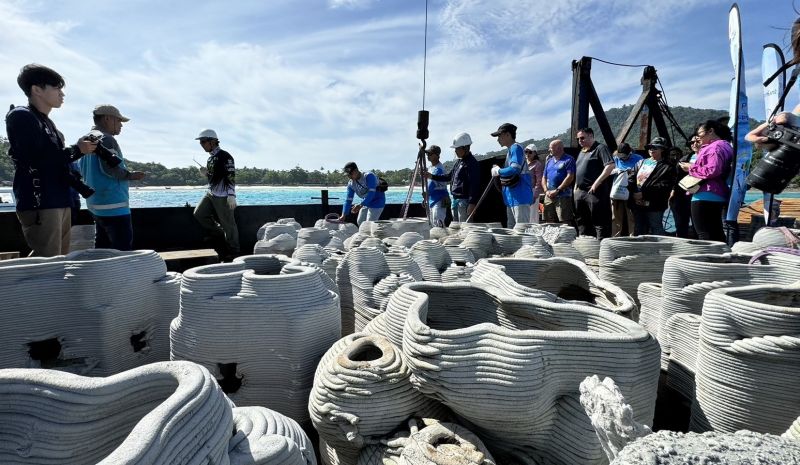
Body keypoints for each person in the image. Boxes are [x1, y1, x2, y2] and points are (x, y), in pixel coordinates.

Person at [5, 64, 98, 256]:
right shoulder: (21, 116)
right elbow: (36, 159)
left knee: (57, 260)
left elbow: (56, 161)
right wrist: (77, 150)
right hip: (41, 201)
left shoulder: (48, 123)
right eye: (56, 87)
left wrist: (78, 152)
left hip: (58, 199)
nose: (62, 94)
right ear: (36, 89)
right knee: (47, 262)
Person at [78, 105, 145, 250]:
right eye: (119, 121)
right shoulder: (107, 139)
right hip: (114, 206)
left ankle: (101, 273)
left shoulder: (83, 140)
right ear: (107, 119)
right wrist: (131, 175)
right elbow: (110, 169)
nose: (121, 125)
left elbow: (81, 170)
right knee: (122, 250)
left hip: (95, 206)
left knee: (102, 249)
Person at [682, 120, 733, 242]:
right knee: (716, 231)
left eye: (700, 133)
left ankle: (707, 258)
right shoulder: (726, 146)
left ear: (711, 131)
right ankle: (722, 257)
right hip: (718, 193)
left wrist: (690, 167)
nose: (698, 137)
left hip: (705, 194)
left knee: (703, 233)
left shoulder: (714, 147)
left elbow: (712, 170)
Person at [193, 129, 239, 257]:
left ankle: (234, 252)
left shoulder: (226, 156)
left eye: (203, 142)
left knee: (229, 225)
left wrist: (231, 195)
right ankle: (219, 233)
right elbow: (214, 177)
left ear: (212, 141)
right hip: (211, 193)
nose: (201, 144)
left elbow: (231, 175)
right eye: (200, 142)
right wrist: (206, 173)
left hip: (223, 196)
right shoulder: (210, 159)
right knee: (199, 213)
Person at [426, 132, 481, 223]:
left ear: (465, 147)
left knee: (464, 227)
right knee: (456, 227)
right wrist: (431, 176)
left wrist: (472, 203)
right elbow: (449, 177)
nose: (455, 151)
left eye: (457, 148)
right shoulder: (459, 162)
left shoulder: (472, 163)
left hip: (464, 201)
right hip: (456, 200)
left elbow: (474, 184)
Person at [573, 128, 615, 239]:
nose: (580, 141)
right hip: (580, 192)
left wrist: (597, 182)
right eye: (578, 139)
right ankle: (585, 247)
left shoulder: (600, 148)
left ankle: (602, 248)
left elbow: (610, 166)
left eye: (582, 138)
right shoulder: (582, 152)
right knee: (582, 221)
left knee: (599, 221)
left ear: (591, 136)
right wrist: (576, 187)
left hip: (595, 192)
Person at [630, 137, 676, 236]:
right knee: (638, 227)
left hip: (655, 204)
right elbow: (631, 178)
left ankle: (658, 250)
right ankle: (639, 249)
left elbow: (665, 186)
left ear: (662, 149)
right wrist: (634, 192)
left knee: (656, 227)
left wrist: (643, 193)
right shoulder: (640, 162)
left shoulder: (668, 166)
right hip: (637, 202)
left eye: (655, 147)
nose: (651, 149)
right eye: (650, 147)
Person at [490, 123, 532, 229]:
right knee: (512, 229)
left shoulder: (516, 148)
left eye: (500, 136)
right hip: (512, 198)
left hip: (520, 196)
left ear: (508, 135)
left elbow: (514, 169)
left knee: (522, 230)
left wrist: (499, 171)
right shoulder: (511, 150)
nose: (498, 139)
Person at [610, 143, 642, 236]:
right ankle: (615, 236)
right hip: (617, 189)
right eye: (621, 156)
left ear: (630, 153)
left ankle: (632, 236)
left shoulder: (638, 158)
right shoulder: (615, 158)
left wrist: (632, 171)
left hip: (631, 189)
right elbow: (608, 170)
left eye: (625, 156)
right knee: (615, 215)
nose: (622, 158)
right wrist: (616, 170)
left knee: (631, 215)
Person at [541, 139, 575, 224]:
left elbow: (570, 176)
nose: (549, 150)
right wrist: (546, 191)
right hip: (548, 195)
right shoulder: (549, 161)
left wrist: (558, 190)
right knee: (548, 219)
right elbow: (544, 177)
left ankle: (566, 237)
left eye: (551, 148)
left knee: (564, 220)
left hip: (563, 195)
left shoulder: (569, 159)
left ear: (559, 148)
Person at [670, 138, 698, 238]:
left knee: (697, 225)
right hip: (680, 196)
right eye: (691, 143)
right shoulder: (684, 160)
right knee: (680, 223)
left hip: (696, 194)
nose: (675, 157)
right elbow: (676, 179)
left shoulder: (704, 157)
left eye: (677, 154)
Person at [424, 145, 449, 227]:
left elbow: (431, 185)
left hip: (440, 199)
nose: (428, 156)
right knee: (432, 224)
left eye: (430, 154)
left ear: (436, 155)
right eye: (427, 154)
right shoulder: (431, 168)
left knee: (438, 223)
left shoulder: (439, 169)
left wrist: (425, 195)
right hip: (433, 199)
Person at [525, 144, 544, 223]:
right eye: (526, 152)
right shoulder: (524, 163)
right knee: (524, 214)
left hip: (532, 191)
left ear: (535, 153)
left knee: (532, 215)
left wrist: (535, 195)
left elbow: (539, 181)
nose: (527, 154)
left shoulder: (537, 164)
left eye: (530, 152)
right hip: (523, 191)